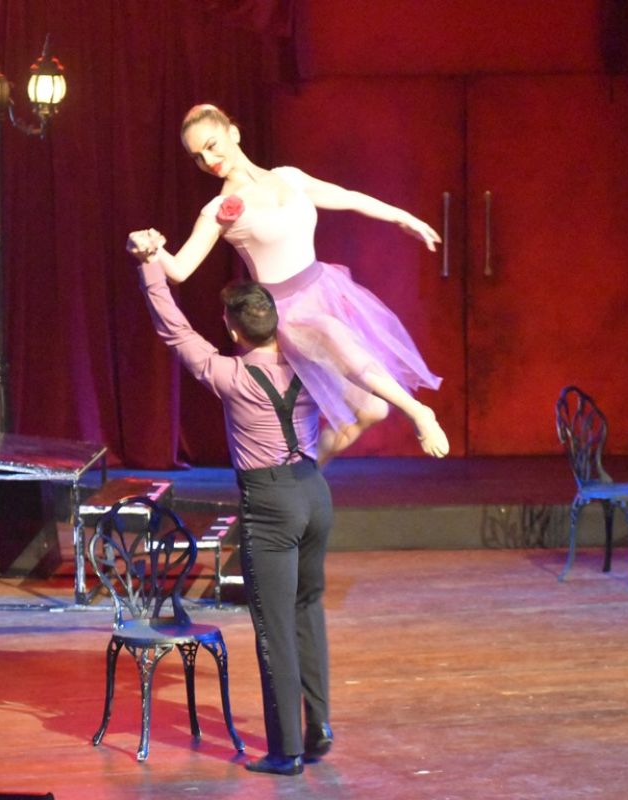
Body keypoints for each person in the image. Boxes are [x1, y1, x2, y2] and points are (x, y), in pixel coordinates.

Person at [128, 102, 448, 463]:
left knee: (372, 410)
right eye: (198, 157)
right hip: (284, 312)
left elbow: (348, 197)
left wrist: (404, 218)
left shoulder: (289, 177)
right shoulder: (219, 209)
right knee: (332, 332)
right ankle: (418, 411)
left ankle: (309, 474)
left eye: (212, 146)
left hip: (323, 289)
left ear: (233, 133)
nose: (209, 160)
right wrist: (151, 250)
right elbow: (179, 270)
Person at [128, 237, 335, 776]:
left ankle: (287, 750)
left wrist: (150, 266)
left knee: (275, 626)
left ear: (235, 331)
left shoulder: (232, 375)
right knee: (307, 609)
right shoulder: (310, 367)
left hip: (271, 502)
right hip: (315, 492)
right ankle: (318, 724)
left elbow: (174, 329)